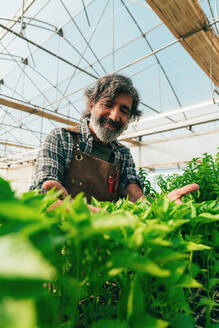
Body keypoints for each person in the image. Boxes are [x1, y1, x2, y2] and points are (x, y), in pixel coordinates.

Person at [30, 74, 199, 211]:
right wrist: (67, 208)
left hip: (103, 239)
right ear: (91, 105)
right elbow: (42, 192)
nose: (114, 116)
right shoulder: (61, 138)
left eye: (124, 111)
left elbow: (135, 197)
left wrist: (162, 205)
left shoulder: (122, 154)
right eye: (108, 105)